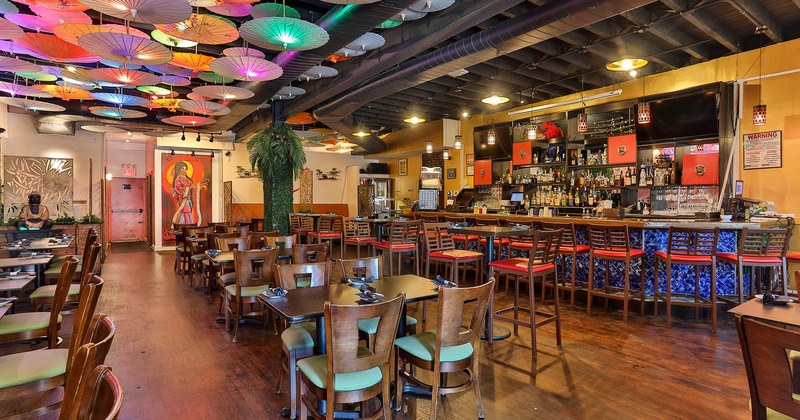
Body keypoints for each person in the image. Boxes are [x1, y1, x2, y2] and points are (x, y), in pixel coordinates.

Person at [171, 161, 208, 227]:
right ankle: (186, 228)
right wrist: (188, 187)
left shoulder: (188, 179)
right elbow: (179, 189)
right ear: (178, 169)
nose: (184, 170)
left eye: (185, 169)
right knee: (186, 214)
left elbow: (192, 188)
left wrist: (199, 186)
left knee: (187, 214)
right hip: (183, 200)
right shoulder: (178, 180)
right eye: (182, 168)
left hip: (189, 200)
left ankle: (182, 228)